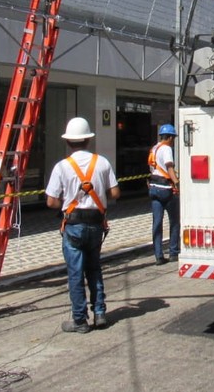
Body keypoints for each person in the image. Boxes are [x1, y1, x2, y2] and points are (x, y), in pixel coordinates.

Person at [45, 117, 120, 334]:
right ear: (88, 140)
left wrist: (66, 205)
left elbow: (51, 201)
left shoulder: (62, 167)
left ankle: (79, 320)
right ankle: (99, 313)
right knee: (94, 268)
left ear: (68, 142)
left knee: (76, 273)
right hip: (96, 224)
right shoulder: (102, 163)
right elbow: (115, 193)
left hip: (74, 225)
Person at [148, 123, 180, 266]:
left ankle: (158, 256)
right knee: (174, 221)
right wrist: (177, 182)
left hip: (154, 188)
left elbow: (152, 168)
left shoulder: (154, 148)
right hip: (166, 189)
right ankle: (173, 252)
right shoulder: (166, 148)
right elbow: (169, 167)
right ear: (171, 138)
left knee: (157, 223)